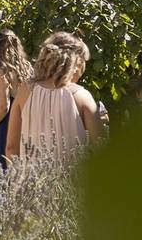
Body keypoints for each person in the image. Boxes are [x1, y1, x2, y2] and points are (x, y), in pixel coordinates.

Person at [6, 32, 104, 160]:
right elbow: (101, 148)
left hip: (32, 178)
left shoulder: (25, 91)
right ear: (76, 62)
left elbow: (11, 148)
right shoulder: (82, 97)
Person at [0, 29, 34, 168]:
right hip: (26, 118)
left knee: (3, 170)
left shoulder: (1, 69)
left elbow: (3, 106)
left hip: (8, 121)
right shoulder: (27, 67)